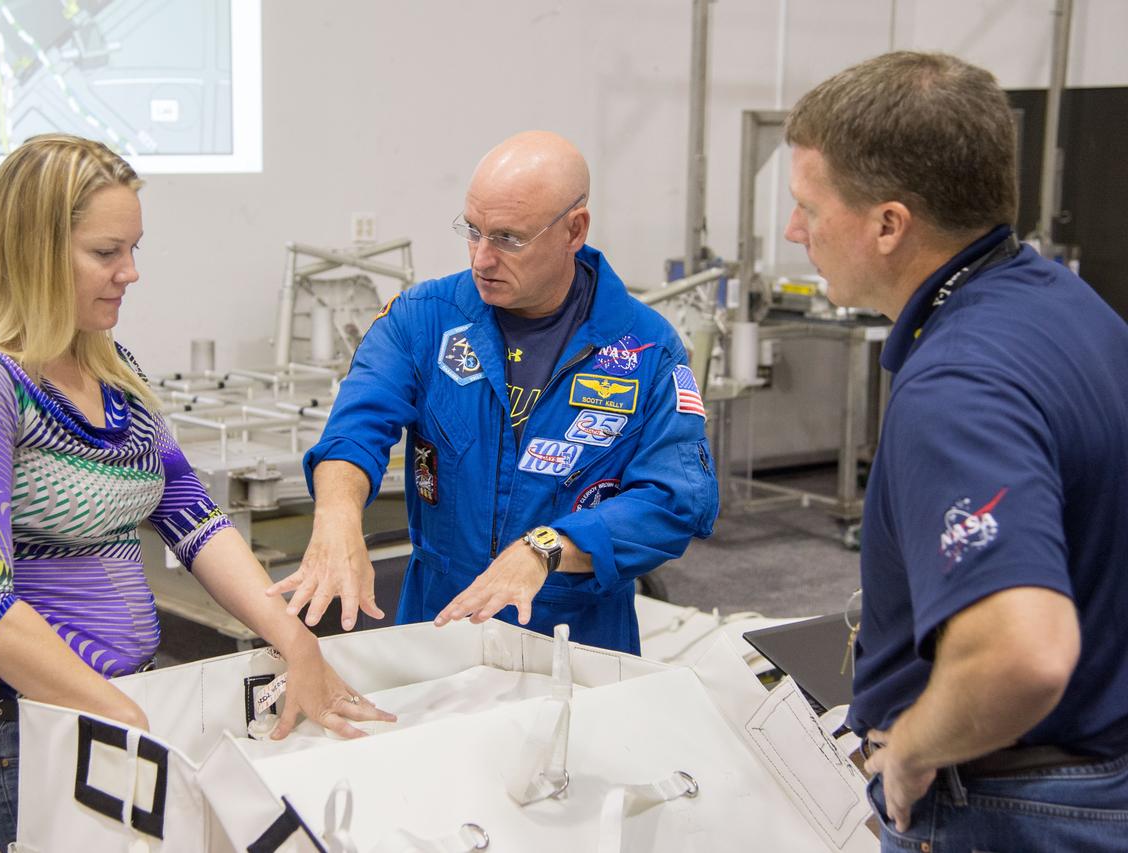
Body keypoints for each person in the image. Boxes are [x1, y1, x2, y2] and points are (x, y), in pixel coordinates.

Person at [0, 134, 393, 851]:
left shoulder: (115, 370)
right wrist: (132, 719)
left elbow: (193, 517)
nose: (130, 273)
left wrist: (294, 639)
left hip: (121, 708)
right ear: (34, 248)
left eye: (135, 248)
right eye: (106, 252)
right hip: (21, 734)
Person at [783, 52, 1128, 851]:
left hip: (1012, 802)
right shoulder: (1068, 306)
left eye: (808, 207)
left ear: (889, 224)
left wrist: (907, 753)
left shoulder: (956, 382)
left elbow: (1024, 651)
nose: (797, 232)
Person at [269, 131, 719, 653]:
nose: (482, 259)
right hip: (437, 629)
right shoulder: (425, 319)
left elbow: (674, 501)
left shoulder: (646, 349)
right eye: (473, 231)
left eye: (508, 238)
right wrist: (337, 517)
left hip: (574, 644)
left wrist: (546, 548)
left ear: (575, 230)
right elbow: (355, 430)